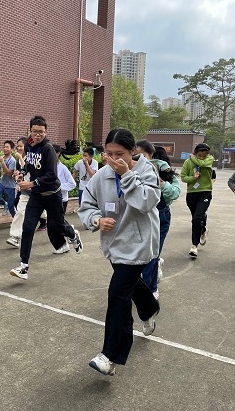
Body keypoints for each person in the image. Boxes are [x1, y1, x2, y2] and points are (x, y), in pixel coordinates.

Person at [78, 129, 161, 376]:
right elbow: (86, 205)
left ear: (132, 151)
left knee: (118, 294)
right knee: (130, 286)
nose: (114, 159)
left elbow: (146, 202)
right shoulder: (101, 176)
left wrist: (126, 175)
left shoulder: (146, 171)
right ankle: (149, 308)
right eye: (109, 153)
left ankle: (110, 356)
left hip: (139, 243)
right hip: (114, 244)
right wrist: (96, 220)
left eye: (120, 154)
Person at [9, 116, 83, 280]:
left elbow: (52, 175)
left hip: (52, 195)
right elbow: (29, 165)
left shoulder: (47, 149)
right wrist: (21, 173)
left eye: (41, 132)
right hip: (37, 196)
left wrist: (31, 183)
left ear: (46, 132)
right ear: (30, 130)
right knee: (28, 228)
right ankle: (23, 266)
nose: (37, 135)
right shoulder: (29, 146)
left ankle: (72, 234)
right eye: (34, 131)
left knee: (58, 226)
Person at [134, 140, 180, 299]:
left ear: (151, 155)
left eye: (142, 155)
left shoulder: (163, 171)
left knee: (152, 254)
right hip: (138, 217)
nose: (139, 159)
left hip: (160, 215)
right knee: (139, 255)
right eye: (135, 155)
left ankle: (151, 289)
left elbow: (175, 192)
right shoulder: (130, 170)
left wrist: (160, 182)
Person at [6, 137, 47, 248]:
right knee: (20, 212)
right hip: (26, 191)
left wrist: (20, 158)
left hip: (39, 191)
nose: (19, 148)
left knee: (53, 216)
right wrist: (18, 177)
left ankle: (68, 232)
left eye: (21, 146)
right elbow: (22, 172)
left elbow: (29, 168)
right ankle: (15, 237)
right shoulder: (19, 160)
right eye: (18, 146)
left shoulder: (33, 157)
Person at [180, 143, 214, 258]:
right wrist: (193, 178)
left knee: (196, 218)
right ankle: (203, 230)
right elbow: (183, 177)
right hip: (192, 193)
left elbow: (202, 164)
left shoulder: (209, 159)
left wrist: (194, 158)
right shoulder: (188, 162)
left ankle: (194, 246)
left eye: (204, 156)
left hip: (205, 192)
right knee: (196, 218)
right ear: (195, 153)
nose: (202, 158)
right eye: (199, 155)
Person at [52, 144, 77, 253]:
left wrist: (58, 187)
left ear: (58, 154)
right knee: (54, 223)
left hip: (61, 200)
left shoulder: (63, 168)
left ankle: (70, 233)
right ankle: (67, 234)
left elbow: (72, 184)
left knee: (56, 222)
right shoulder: (48, 166)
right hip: (50, 198)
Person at [0, 140, 17, 217]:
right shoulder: (2, 157)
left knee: (12, 208)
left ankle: (16, 222)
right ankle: (5, 204)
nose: (5, 148)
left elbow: (9, 173)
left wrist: (3, 162)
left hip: (10, 186)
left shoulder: (12, 160)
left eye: (7, 147)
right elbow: (3, 169)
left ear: (11, 149)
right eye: (4, 147)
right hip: (2, 183)